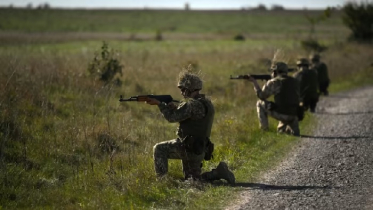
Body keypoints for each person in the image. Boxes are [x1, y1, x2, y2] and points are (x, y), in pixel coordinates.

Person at [145, 70, 235, 185]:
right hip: (199, 149)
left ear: (191, 89)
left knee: (159, 149)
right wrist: (175, 108)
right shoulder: (205, 103)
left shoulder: (192, 105)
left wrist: (160, 105)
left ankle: (162, 182)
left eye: (183, 89)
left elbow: (172, 118)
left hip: (189, 148)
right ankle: (218, 173)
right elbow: (189, 116)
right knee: (192, 181)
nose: (182, 93)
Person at [246, 62, 300, 136]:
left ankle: (264, 130)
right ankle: (288, 129)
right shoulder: (295, 81)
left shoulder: (274, 82)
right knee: (283, 132)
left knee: (259, 103)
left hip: (282, 114)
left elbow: (261, 96)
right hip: (294, 114)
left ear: (275, 72)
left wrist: (254, 82)